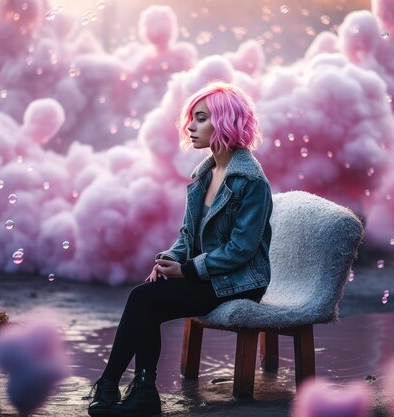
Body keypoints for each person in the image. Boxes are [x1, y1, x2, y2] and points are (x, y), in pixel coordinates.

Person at [87, 81, 273, 417]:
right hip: (212, 275)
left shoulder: (251, 181)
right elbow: (188, 235)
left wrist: (187, 270)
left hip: (242, 281)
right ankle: (136, 389)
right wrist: (171, 258)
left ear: (226, 122)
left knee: (144, 299)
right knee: (148, 296)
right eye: (191, 118)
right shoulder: (206, 173)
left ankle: (118, 385)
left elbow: (241, 250)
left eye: (201, 118)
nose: (190, 126)